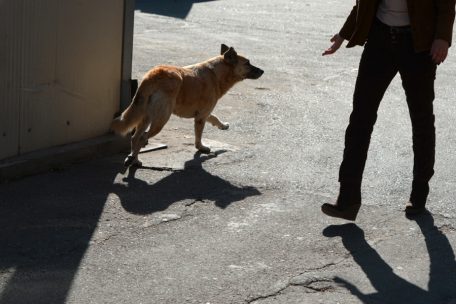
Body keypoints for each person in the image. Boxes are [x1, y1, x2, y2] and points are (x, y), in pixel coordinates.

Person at [321, 0, 455, 220]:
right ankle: (348, 197)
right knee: (360, 119)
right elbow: (363, 4)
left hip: (418, 43)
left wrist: (442, 37)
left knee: (420, 119)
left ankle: (419, 190)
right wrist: (344, 34)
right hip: (379, 40)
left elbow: (446, 3)